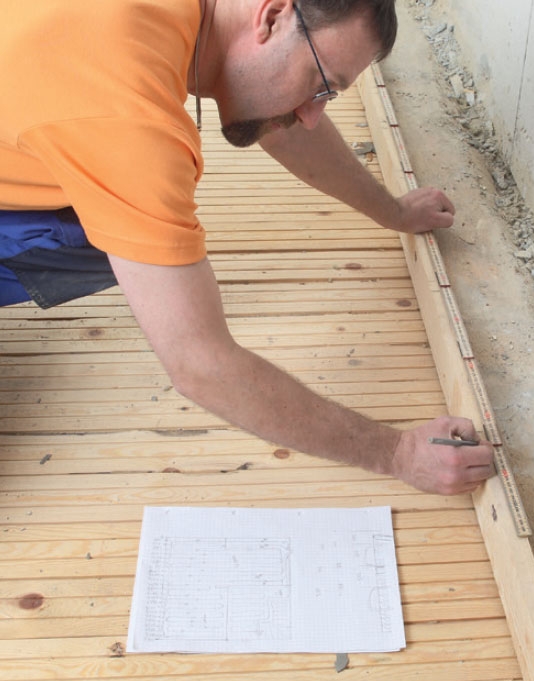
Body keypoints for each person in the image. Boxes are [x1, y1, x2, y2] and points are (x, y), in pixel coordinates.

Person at [0, 0, 495, 494]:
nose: (311, 115)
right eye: (321, 85)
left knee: (132, 212)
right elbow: (201, 365)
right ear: (272, 17)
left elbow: (278, 118)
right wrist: (397, 453)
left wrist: (392, 211)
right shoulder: (127, 122)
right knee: (132, 218)